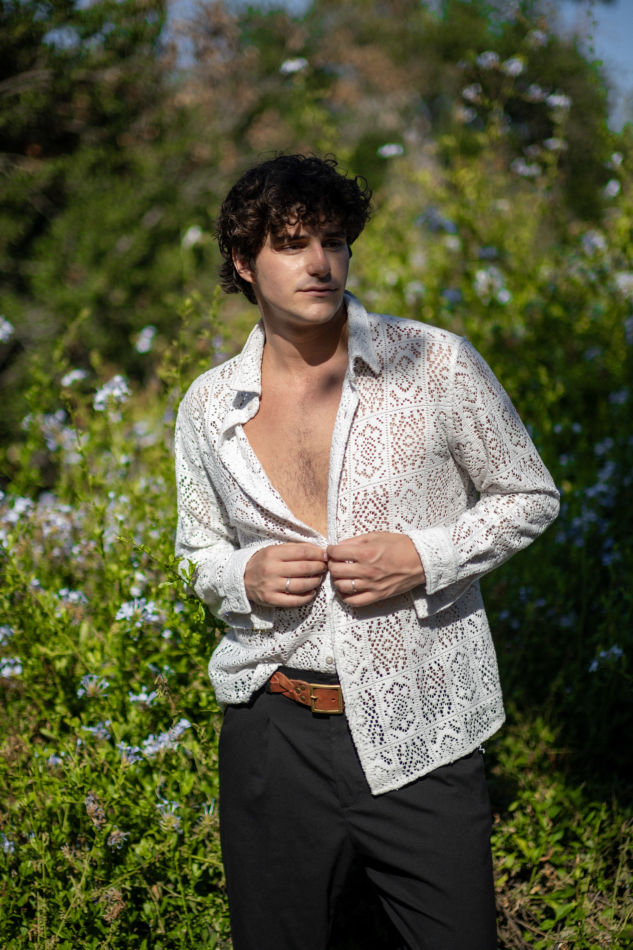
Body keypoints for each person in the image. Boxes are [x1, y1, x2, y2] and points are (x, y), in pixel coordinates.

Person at [174, 153, 559, 950]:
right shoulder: (207, 405)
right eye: (291, 244)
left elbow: (529, 495)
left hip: (423, 725)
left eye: (333, 241)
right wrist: (242, 574)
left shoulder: (435, 364)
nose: (319, 263)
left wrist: (426, 558)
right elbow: (196, 551)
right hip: (272, 729)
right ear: (243, 262)